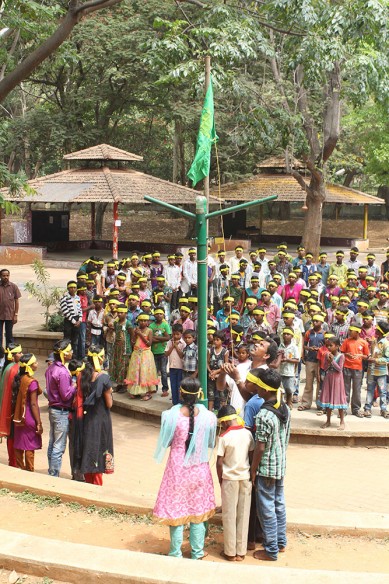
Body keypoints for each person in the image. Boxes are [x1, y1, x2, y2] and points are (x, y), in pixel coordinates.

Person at [153, 378, 217, 560]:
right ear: (199, 394)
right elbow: (211, 442)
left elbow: (165, 442)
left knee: (175, 509)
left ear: (180, 393)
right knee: (198, 510)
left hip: (177, 469)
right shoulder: (209, 417)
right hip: (199, 468)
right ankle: (197, 552)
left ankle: (175, 553)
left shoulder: (170, 416)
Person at [250, 368, 291, 562]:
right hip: (280, 464)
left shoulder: (264, 416)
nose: (256, 388)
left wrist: (253, 470)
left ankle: (271, 549)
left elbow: (260, 447)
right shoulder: (284, 408)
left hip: (266, 467)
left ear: (265, 390)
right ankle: (281, 542)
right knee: (279, 504)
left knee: (266, 508)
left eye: (258, 386)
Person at [70, 346, 114, 486]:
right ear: (100, 358)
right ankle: (97, 485)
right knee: (100, 448)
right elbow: (109, 404)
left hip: (85, 419)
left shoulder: (82, 376)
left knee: (87, 447)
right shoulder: (104, 378)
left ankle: (87, 481)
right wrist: (110, 392)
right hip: (100, 420)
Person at [217, 405, 254, 562]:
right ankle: (241, 551)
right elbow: (251, 456)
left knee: (229, 515)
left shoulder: (224, 437)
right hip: (245, 478)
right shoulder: (247, 433)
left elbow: (219, 463)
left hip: (229, 479)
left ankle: (230, 552)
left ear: (224, 422)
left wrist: (220, 480)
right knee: (243, 514)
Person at [46, 339, 76, 477]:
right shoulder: (63, 372)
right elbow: (65, 395)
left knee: (52, 442)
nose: (72, 352)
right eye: (69, 350)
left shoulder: (50, 368)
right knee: (59, 445)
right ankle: (54, 474)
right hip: (61, 411)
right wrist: (74, 385)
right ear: (64, 354)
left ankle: (51, 470)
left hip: (52, 409)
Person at [12, 353, 42, 471]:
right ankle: (29, 471)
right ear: (29, 366)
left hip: (19, 416)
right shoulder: (31, 382)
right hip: (29, 417)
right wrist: (38, 422)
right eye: (35, 362)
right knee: (29, 446)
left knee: (19, 444)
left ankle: (20, 469)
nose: (37, 364)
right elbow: (33, 404)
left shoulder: (19, 378)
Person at [0, 343, 23, 467]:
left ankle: (12, 460)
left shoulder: (7, 367)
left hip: (7, 406)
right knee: (13, 435)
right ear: (13, 355)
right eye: (19, 353)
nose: (22, 354)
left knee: (11, 435)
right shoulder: (14, 369)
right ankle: (13, 462)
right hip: (12, 407)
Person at [126, 314, 158, 400]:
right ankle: (135, 391)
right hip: (136, 353)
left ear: (148, 322)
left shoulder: (149, 331)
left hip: (145, 354)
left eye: (145, 321)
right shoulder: (136, 329)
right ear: (138, 321)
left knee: (144, 372)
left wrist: (140, 335)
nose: (143, 322)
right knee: (136, 372)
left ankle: (146, 392)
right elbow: (132, 342)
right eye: (141, 321)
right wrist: (135, 334)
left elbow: (149, 343)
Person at [317, 338, 347, 430]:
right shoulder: (327, 355)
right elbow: (325, 367)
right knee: (328, 399)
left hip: (337, 380)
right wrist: (328, 361)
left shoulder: (341, 356)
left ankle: (342, 422)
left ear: (337, 346)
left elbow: (339, 369)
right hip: (328, 378)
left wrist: (332, 361)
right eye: (327, 346)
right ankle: (328, 420)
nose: (329, 347)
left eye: (331, 345)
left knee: (338, 399)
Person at [340, 325, 369, 417]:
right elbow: (342, 352)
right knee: (345, 389)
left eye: (351, 330)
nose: (349, 332)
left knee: (357, 390)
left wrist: (360, 356)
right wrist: (347, 355)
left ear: (357, 332)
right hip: (347, 367)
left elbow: (367, 356)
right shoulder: (347, 341)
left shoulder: (363, 342)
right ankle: (344, 408)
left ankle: (356, 409)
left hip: (358, 368)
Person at [299, 315, 325, 411]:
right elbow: (304, 345)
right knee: (308, 383)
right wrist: (309, 349)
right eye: (313, 321)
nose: (314, 323)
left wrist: (320, 349)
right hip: (310, 359)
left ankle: (320, 404)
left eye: (317, 321)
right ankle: (306, 403)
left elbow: (326, 347)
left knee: (319, 382)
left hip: (320, 361)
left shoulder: (324, 333)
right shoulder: (308, 332)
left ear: (321, 322)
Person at [364, 321, 389, 418]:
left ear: (381, 331)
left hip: (381, 371)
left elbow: (387, 359)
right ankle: (367, 409)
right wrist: (369, 356)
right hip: (371, 370)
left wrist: (375, 360)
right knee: (370, 390)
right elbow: (371, 353)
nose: (375, 330)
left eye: (377, 329)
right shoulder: (374, 341)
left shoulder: (386, 344)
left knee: (382, 391)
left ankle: (383, 409)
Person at [109, 303, 132, 393]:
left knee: (124, 366)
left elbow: (132, 335)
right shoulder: (116, 323)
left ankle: (125, 384)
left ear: (126, 314)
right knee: (117, 365)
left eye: (121, 313)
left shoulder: (128, 324)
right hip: (117, 348)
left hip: (125, 348)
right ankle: (119, 383)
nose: (119, 314)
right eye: (118, 313)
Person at [150, 308, 171, 397]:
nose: (159, 315)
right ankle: (154, 387)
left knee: (163, 371)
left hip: (163, 352)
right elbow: (150, 339)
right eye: (157, 314)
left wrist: (156, 338)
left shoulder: (165, 325)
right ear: (154, 315)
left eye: (161, 314)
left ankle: (165, 389)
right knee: (154, 371)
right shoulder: (151, 326)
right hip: (154, 352)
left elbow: (168, 338)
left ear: (163, 315)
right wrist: (161, 338)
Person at [207, 331, 229, 411]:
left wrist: (216, 372)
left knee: (222, 394)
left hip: (221, 376)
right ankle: (209, 411)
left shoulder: (225, 352)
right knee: (211, 394)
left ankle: (223, 411)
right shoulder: (210, 350)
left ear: (222, 341)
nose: (215, 341)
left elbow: (225, 365)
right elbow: (207, 362)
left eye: (217, 340)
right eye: (214, 340)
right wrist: (210, 372)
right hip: (211, 375)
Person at [165, 324, 186, 406]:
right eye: (174, 334)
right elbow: (166, 354)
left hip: (180, 368)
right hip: (172, 367)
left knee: (179, 385)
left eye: (177, 334)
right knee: (173, 385)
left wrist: (176, 346)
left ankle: (180, 403)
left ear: (181, 334)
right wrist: (172, 346)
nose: (175, 336)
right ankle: (175, 402)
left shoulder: (183, 343)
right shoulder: (169, 342)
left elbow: (181, 355)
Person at [279, 328, 300, 408]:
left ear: (292, 336)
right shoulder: (281, 345)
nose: (285, 336)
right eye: (284, 334)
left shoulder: (294, 347)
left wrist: (287, 359)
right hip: (281, 371)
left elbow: (297, 360)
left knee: (289, 389)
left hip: (290, 372)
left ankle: (289, 402)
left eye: (288, 334)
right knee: (281, 388)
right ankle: (281, 403)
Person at [0, 269, 21, 347]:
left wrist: (15, 314)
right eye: (4, 275)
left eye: (7, 275)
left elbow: (17, 301)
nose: (6, 277)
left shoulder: (13, 287)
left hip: (10, 315)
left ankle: (8, 356)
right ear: (0, 276)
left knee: (9, 337)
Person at [59, 281, 82, 354]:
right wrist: (74, 321)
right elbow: (65, 311)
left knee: (75, 339)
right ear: (68, 288)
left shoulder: (77, 298)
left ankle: (73, 355)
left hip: (77, 319)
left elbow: (79, 309)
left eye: (74, 287)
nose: (73, 289)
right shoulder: (64, 298)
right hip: (69, 320)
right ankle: (66, 354)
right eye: (71, 287)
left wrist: (80, 319)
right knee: (67, 339)